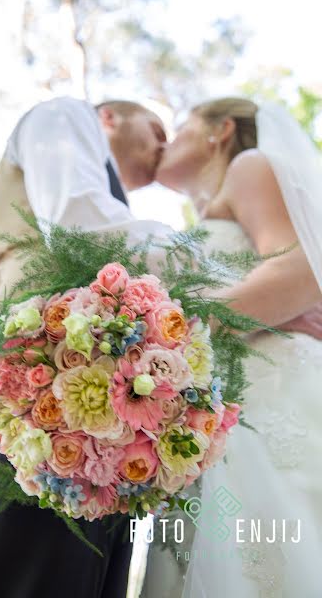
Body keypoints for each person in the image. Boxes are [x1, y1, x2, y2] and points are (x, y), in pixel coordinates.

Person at [0, 96, 171, 598]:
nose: (163, 147)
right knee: (14, 576)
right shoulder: (66, 116)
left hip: (99, 417)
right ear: (109, 118)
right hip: (24, 384)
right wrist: (219, 264)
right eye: (156, 129)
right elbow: (80, 225)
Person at [142, 97, 322, 598]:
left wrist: (170, 341)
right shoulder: (201, 216)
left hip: (269, 396)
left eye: (178, 127)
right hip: (212, 419)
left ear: (220, 131)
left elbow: (299, 271)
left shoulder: (249, 166)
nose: (164, 142)